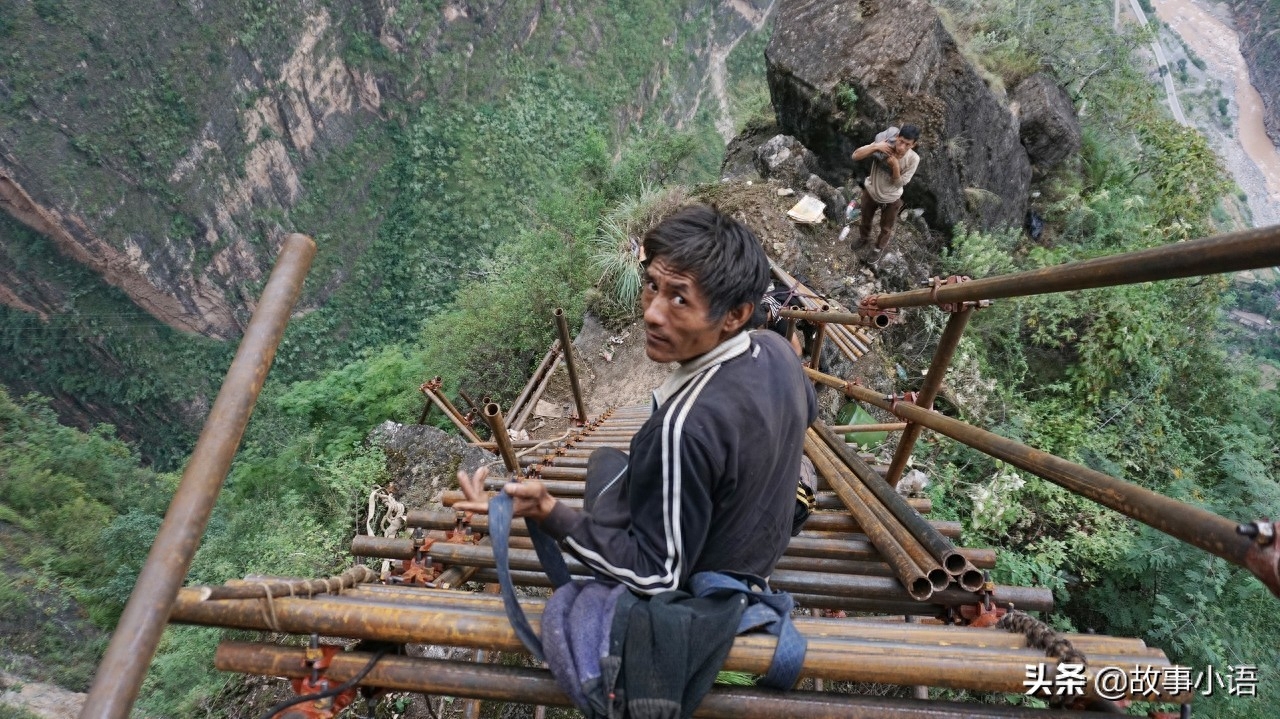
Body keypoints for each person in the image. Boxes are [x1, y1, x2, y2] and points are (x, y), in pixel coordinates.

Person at [455, 204, 818, 594]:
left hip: (713, 582)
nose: (653, 314)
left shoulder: (680, 429)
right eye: (652, 286)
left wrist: (549, 512)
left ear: (735, 314)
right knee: (611, 462)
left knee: (605, 465)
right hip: (767, 534)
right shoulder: (778, 351)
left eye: (680, 299)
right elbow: (807, 415)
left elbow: (657, 576)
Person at [850, 124, 921, 258]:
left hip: (891, 199)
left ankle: (878, 248)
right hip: (871, 191)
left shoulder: (913, 159)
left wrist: (895, 166)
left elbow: (899, 184)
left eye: (907, 144)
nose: (902, 147)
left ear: (914, 145)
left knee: (886, 228)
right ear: (897, 136)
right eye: (901, 141)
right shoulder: (884, 143)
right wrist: (876, 147)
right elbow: (855, 156)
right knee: (865, 220)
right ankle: (863, 238)